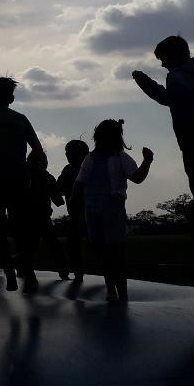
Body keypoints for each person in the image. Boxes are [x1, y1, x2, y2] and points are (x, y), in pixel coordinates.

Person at [131, 35, 194, 260]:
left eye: (163, 59)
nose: (162, 64)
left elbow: (169, 100)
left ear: (173, 55)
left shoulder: (179, 77)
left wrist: (145, 83)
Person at [0, 77, 43, 293]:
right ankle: (28, 271)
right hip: (20, 180)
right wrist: (29, 170)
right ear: (11, 98)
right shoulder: (21, 119)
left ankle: (9, 273)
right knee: (21, 228)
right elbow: (38, 150)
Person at [73, 120, 153, 302]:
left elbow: (78, 185)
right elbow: (138, 178)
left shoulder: (90, 158)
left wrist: (75, 205)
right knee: (116, 251)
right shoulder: (120, 157)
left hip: (93, 210)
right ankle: (119, 291)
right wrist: (147, 161)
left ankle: (112, 289)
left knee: (106, 251)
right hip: (110, 209)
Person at [26, 149, 68, 279]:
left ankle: (23, 269)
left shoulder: (24, 175)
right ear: (41, 162)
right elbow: (59, 201)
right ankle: (63, 271)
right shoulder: (46, 177)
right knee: (54, 245)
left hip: (26, 217)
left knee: (30, 246)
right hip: (42, 216)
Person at [57, 140, 90, 282]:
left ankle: (78, 273)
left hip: (86, 213)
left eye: (68, 153)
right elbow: (59, 188)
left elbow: (58, 188)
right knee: (75, 244)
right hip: (80, 214)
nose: (66, 155)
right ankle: (78, 272)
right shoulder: (69, 169)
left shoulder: (71, 169)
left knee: (75, 244)